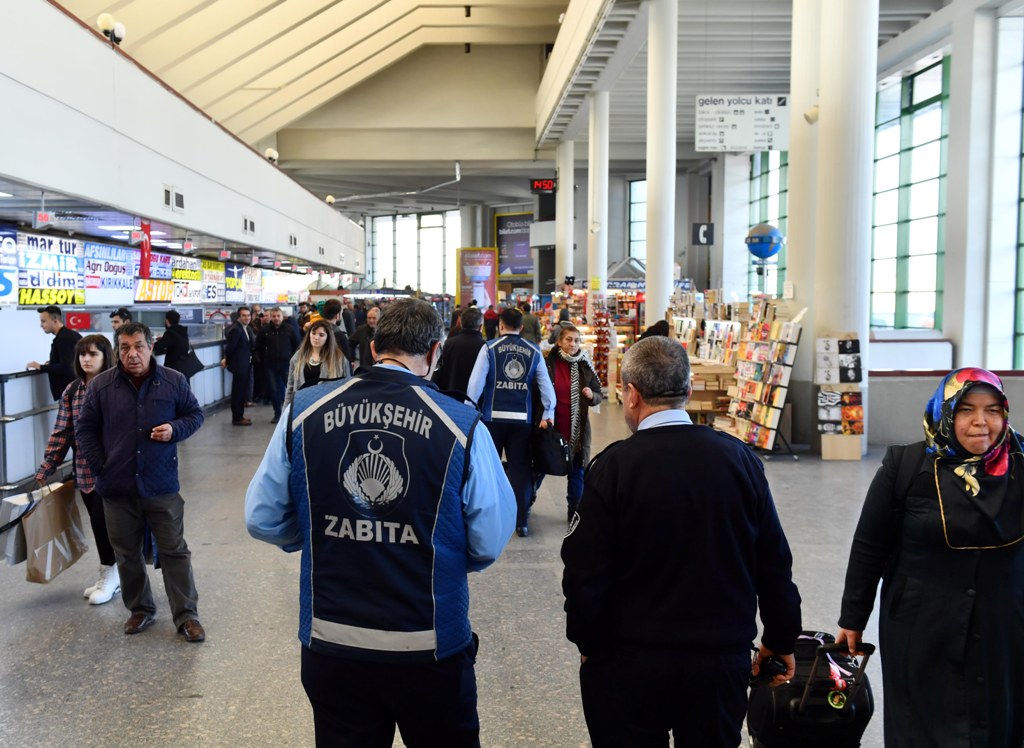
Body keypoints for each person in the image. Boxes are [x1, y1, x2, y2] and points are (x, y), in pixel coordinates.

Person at [244, 297, 516, 747]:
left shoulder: (303, 412)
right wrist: (440, 550)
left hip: (332, 636)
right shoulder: (461, 424)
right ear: (434, 352)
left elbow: (261, 516)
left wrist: (316, 536)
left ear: (373, 349)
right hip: (428, 641)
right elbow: (488, 537)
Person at [561, 336, 801, 747]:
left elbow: (585, 571)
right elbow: (773, 562)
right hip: (719, 660)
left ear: (632, 395)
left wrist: (587, 642)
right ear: (688, 391)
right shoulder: (740, 460)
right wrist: (779, 639)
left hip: (628, 661)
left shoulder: (613, 468)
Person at [837, 368, 1024, 747]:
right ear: (946, 411)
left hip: (1004, 624)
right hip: (920, 625)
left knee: (1000, 719)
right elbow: (870, 545)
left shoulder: (1021, 464)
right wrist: (853, 617)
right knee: (921, 724)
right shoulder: (906, 467)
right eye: (966, 410)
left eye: (992, 410)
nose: (980, 422)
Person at [76, 322, 206, 642]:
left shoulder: (173, 381)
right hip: (117, 487)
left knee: (174, 550)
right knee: (126, 552)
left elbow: (194, 416)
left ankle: (186, 615)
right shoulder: (101, 386)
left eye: (138, 346)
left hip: (161, 484)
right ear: (117, 351)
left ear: (151, 347)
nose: (132, 354)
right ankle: (141, 609)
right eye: (124, 348)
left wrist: (175, 429)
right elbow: (85, 429)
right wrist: (100, 467)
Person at [35, 334, 120, 605]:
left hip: (118, 471)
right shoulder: (72, 391)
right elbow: (63, 432)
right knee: (99, 524)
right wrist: (48, 465)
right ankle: (110, 572)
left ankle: (120, 573)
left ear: (106, 356)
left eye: (93, 354)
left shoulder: (118, 386)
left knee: (119, 525)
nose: (86, 359)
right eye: (82, 354)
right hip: (86, 471)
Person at [467, 307, 555, 537]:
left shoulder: (489, 348)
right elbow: (546, 387)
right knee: (520, 470)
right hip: (521, 420)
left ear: (500, 325)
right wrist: (549, 411)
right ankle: (521, 521)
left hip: (492, 418)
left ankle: (489, 519)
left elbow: (475, 385)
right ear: (522, 327)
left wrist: (468, 409)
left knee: (489, 468)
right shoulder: (534, 350)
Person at [541, 325, 603, 523]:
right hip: (553, 425)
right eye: (568, 339)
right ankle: (525, 502)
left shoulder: (585, 365)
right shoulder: (548, 363)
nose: (573, 344)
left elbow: (598, 394)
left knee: (577, 469)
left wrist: (592, 396)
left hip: (577, 428)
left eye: (576, 340)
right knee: (542, 464)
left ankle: (574, 509)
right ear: (559, 341)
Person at [285, 319, 350, 405]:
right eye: (313, 333)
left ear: (328, 337)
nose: (316, 338)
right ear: (309, 334)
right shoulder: (298, 356)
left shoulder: (338, 359)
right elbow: (290, 387)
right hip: (302, 405)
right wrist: (286, 413)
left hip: (327, 407)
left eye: (321, 335)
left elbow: (346, 387)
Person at [27, 305, 83, 401]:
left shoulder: (64, 338)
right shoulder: (69, 335)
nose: (41, 325)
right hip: (74, 391)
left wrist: (41, 367)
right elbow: (69, 360)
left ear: (55, 320)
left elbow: (66, 367)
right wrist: (52, 363)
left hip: (70, 393)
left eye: (43, 321)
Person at [255, 307, 300, 424]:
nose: (276, 318)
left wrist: (295, 361)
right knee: (274, 390)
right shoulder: (264, 330)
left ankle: (293, 413)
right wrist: (261, 359)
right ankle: (277, 414)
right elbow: (258, 346)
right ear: (270, 317)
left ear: (282, 316)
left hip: (287, 365)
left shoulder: (290, 329)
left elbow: (298, 345)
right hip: (270, 365)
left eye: (278, 316)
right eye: (274, 316)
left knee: (292, 389)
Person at [432, 306, 485, 395]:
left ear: (460, 324)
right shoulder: (485, 347)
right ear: (480, 327)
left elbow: (439, 372)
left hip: (450, 395)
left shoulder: (449, 344)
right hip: (474, 401)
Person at [221, 306, 255, 425]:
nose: (247, 318)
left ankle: (240, 415)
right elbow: (230, 348)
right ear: (239, 317)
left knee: (241, 391)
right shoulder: (236, 329)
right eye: (244, 315)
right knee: (238, 392)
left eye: (248, 315)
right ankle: (237, 417)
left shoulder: (245, 328)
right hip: (239, 365)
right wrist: (227, 359)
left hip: (245, 364)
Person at [154, 310, 191, 376]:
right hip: (184, 367)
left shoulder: (170, 333)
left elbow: (157, 346)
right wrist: (163, 339)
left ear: (167, 321)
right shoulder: (182, 332)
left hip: (173, 369)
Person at [321, 297, 353, 362]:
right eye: (341, 313)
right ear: (337, 315)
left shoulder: (314, 331)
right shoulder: (340, 336)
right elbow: (346, 361)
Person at [349, 305, 380, 372]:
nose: (371, 321)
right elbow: (350, 344)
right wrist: (351, 359)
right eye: (369, 318)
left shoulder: (384, 331)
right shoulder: (361, 330)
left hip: (380, 367)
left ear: (379, 318)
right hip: (365, 367)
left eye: (374, 318)